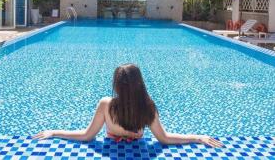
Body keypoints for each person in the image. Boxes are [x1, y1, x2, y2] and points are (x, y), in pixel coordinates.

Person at [33, 64, 223, 147]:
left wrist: (55, 132)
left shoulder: (106, 105)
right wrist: (197, 137)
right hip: (138, 150)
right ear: (140, 83)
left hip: (112, 148)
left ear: (116, 85)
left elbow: (86, 136)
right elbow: (165, 139)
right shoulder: (147, 106)